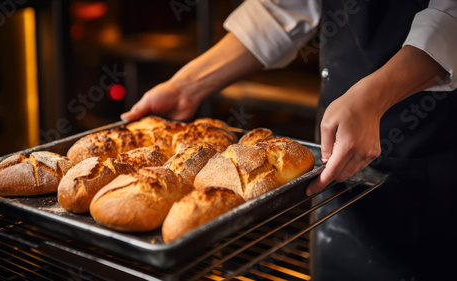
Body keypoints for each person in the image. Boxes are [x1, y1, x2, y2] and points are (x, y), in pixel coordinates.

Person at [121, 1, 457, 280]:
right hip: (338, 140)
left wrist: (372, 98)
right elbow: (282, 8)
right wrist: (186, 86)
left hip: (432, 140)